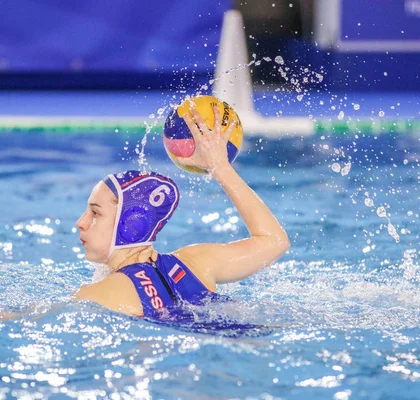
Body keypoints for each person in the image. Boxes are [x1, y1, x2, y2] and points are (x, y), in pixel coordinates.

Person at [73, 106, 290, 320]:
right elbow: (274, 240)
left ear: (132, 225)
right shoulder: (196, 262)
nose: (81, 222)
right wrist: (221, 168)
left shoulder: (96, 295)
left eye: (95, 213)